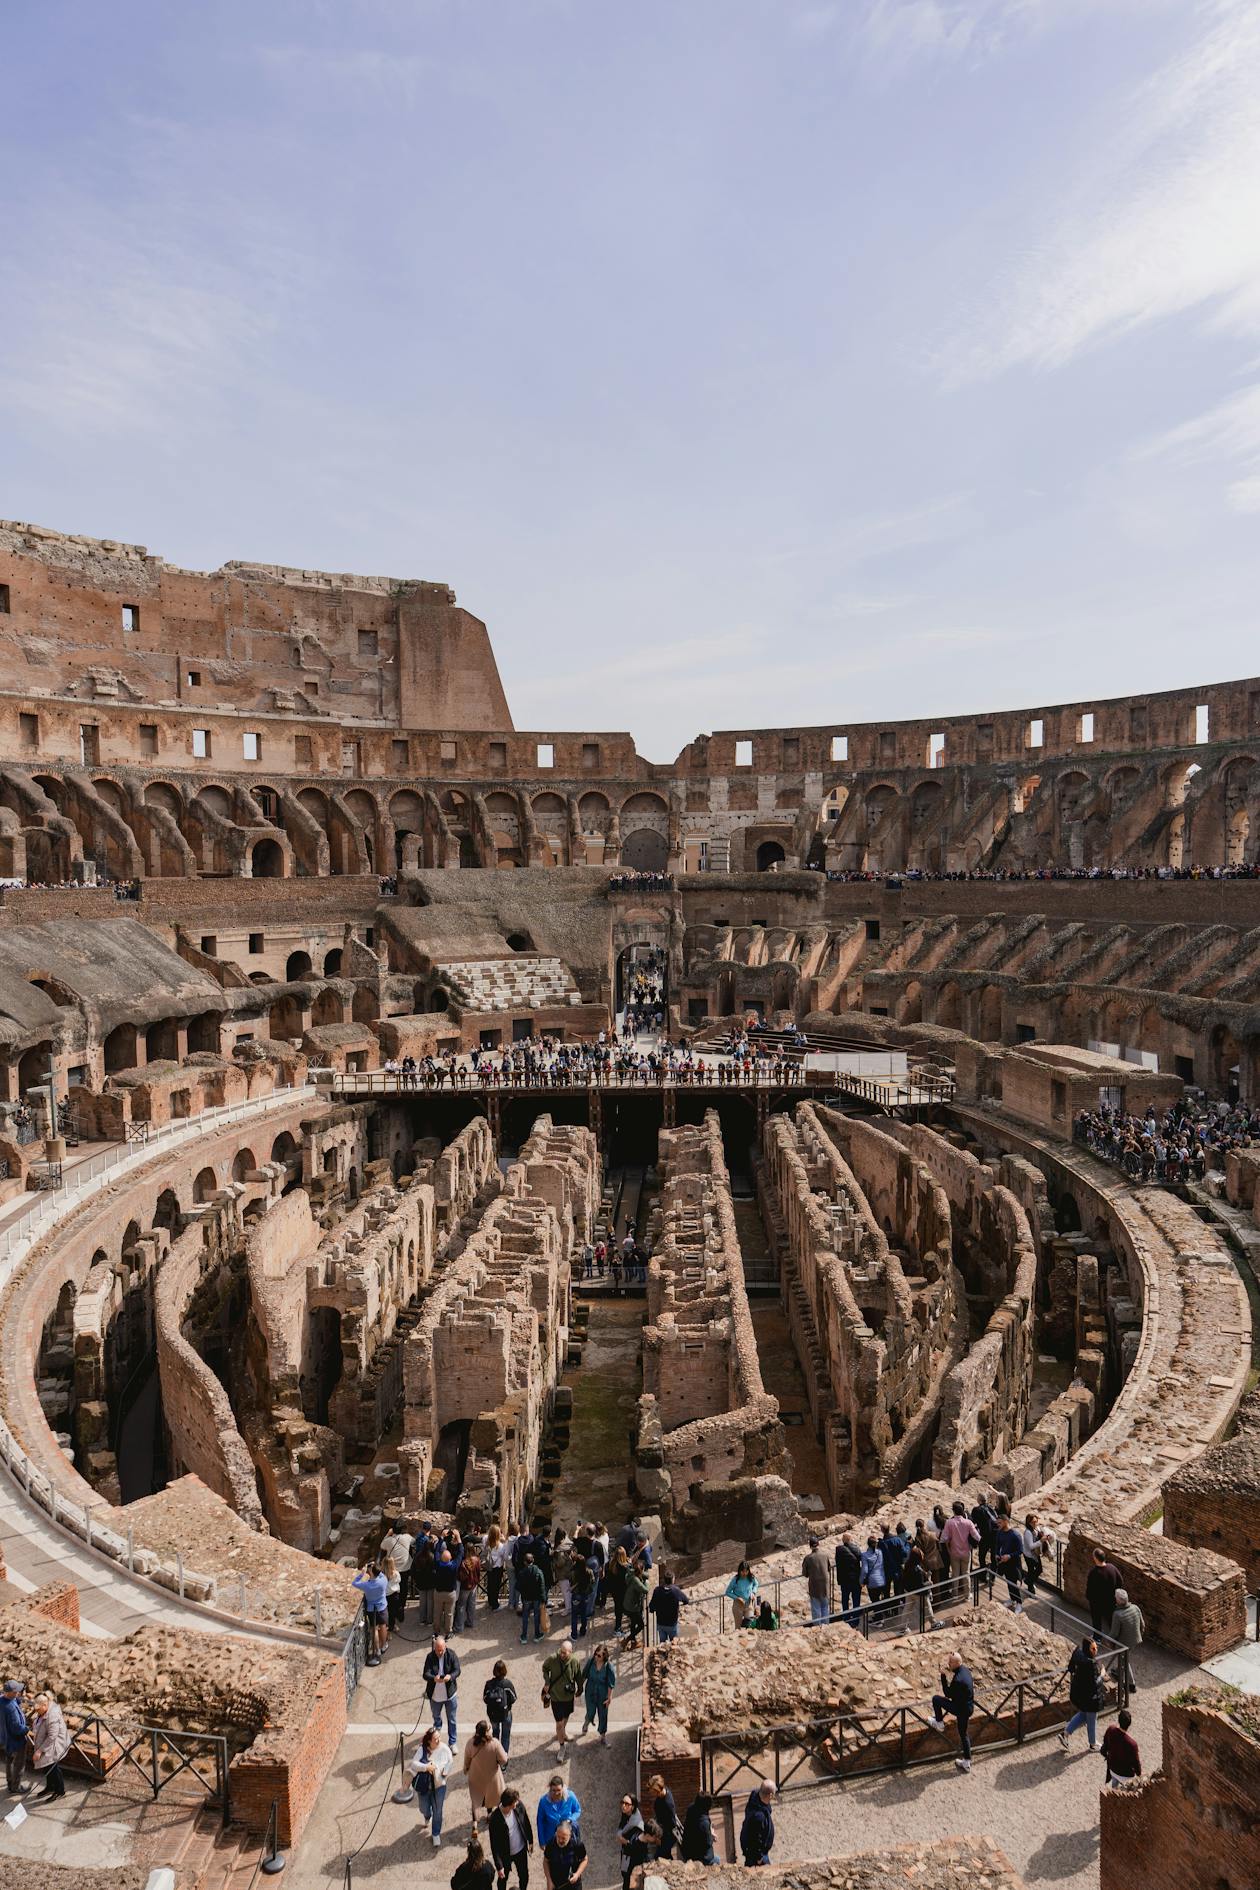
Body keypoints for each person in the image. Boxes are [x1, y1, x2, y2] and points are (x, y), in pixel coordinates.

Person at [928, 1652, 975, 1773]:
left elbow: (947, 1694)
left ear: (957, 1663)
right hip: (968, 1708)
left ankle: (939, 1723)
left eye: (950, 1662)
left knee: (936, 1699)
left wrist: (943, 1676)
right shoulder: (965, 1671)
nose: (948, 1664)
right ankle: (967, 1762)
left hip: (960, 1709)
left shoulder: (958, 1680)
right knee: (963, 1734)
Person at [1058, 1635, 1105, 1753]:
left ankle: (1065, 1733)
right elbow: (1095, 1683)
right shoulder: (1091, 1664)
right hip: (1091, 1696)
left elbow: (1071, 1668)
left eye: (1096, 1648)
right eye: (1093, 1649)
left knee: (1083, 1715)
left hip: (1080, 1693)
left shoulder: (1077, 1653)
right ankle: (1093, 1744)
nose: (1096, 1651)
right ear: (1088, 1650)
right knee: (1092, 1718)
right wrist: (1102, 1674)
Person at [409, 1725, 453, 1847]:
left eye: (439, 1737)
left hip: (439, 1786)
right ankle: (427, 1816)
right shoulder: (422, 1749)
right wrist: (426, 1767)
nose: (438, 1740)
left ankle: (435, 1834)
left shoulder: (445, 1749)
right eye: (435, 1739)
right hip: (424, 1787)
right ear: (429, 1741)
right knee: (424, 1808)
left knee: (438, 1810)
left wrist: (445, 1772)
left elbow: (450, 1762)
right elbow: (413, 1764)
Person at [465, 1721, 510, 1828]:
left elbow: (467, 1760)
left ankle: (474, 1824)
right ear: (486, 1732)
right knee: (491, 1796)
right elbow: (504, 1760)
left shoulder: (470, 1743)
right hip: (492, 1777)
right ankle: (490, 1815)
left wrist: (466, 1769)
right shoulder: (494, 1743)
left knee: (476, 1799)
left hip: (476, 1776)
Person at [490, 1788, 535, 1890]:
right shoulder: (495, 1819)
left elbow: (526, 1824)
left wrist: (530, 1841)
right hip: (505, 1854)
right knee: (502, 1879)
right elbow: (494, 1844)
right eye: (515, 1802)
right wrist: (499, 1866)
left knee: (524, 1876)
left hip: (521, 1850)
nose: (517, 1803)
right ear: (509, 1804)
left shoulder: (519, 1806)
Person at [541, 1641, 584, 1746]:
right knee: (559, 1724)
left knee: (566, 1716)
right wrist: (547, 1682)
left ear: (571, 1652)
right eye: (561, 1651)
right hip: (555, 1697)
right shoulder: (553, 1659)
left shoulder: (575, 1661)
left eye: (565, 1653)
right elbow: (545, 1668)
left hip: (568, 1697)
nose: (562, 1654)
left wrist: (580, 1689)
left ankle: (562, 1732)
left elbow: (578, 1676)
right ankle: (561, 1745)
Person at [30, 1692, 69, 1802]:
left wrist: (39, 1751)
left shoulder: (52, 1716)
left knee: (53, 1768)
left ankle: (60, 1791)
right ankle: (50, 1787)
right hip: (47, 1744)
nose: (37, 1711)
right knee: (47, 1766)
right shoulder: (43, 1709)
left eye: (38, 1709)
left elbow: (52, 1736)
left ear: (45, 1705)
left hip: (55, 1745)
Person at [940, 1501, 981, 1601]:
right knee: (966, 1573)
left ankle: (954, 1594)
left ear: (953, 1511)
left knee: (955, 1573)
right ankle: (967, 1595)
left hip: (954, 1552)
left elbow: (943, 1538)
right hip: (966, 1551)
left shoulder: (949, 1523)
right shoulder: (968, 1523)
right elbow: (977, 1537)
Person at [424, 1635, 462, 1744]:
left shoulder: (451, 1655)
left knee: (452, 1720)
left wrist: (450, 1676)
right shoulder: (430, 1657)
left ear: (445, 1648)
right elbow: (425, 1674)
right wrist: (433, 1678)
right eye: (437, 1650)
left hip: (450, 1695)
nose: (439, 1653)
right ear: (434, 1648)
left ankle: (452, 1742)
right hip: (435, 1696)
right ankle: (436, 1737)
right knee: (436, 1717)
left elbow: (457, 1670)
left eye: (441, 1650)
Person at [352, 1561, 389, 1662]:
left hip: (371, 1609)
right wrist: (376, 1568)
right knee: (383, 1626)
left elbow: (354, 1583)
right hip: (382, 1607)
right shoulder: (383, 1581)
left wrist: (362, 1573)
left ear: (371, 1573)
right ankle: (384, 1645)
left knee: (374, 1629)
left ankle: (377, 1650)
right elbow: (381, 1574)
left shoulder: (366, 1585)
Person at [580, 1643, 616, 1743]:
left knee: (603, 1714)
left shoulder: (609, 1666)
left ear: (604, 1656)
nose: (596, 1656)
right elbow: (584, 1675)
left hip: (602, 1693)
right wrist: (579, 1689)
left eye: (599, 1655)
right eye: (596, 1653)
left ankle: (603, 1735)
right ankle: (586, 1722)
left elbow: (610, 1684)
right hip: (590, 1691)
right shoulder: (591, 1662)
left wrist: (609, 1698)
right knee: (590, 1711)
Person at [1109, 1589, 1145, 1692]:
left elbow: (1114, 1633)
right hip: (1135, 1639)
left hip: (1123, 1644)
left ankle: (1131, 1684)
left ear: (1118, 1601)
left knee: (1125, 1660)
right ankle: (1117, 1671)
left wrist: (1107, 1640)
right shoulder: (1136, 1608)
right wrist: (1139, 1635)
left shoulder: (1117, 1614)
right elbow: (1143, 1625)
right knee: (1123, 1658)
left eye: (1115, 1598)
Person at [1, 1680, 30, 1797]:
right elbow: (17, 1728)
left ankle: (9, 1782)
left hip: (4, 1738)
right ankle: (15, 1787)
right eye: (16, 1691)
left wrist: (17, 1700)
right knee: (18, 1764)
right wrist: (27, 1729)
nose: (18, 1692)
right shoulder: (11, 1709)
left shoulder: (1, 1700)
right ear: (11, 1692)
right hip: (16, 1741)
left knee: (8, 1762)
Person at [536, 1776, 582, 1848]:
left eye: (559, 1790)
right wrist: (542, 1842)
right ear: (550, 1789)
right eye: (553, 1790)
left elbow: (577, 1810)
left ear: (563, 1788)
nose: (556, 1793)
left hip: (567, 1837)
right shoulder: (543, 1801)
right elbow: (540, 1822)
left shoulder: (571, 1796)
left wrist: (570, 1819)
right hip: (551, 1838)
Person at [484, 1659, 518, 1756]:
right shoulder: (507, 1684)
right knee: (505, 1736)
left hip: (493, 1714)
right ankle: (503, 1758)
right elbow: (514, 1698)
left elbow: (485, 1699)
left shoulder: (489, 1684)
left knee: (495, 1735)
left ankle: (495, 1755)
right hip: (505, 1714)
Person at [1085, 1548, 1122, 1635]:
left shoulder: (1093, 1573)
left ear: (1095, 1558)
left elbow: (1090, 1589)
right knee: (1110, 1620)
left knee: (1096, 1621)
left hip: (1097, 1603)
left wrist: (1089, 1598)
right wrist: (1114, 1594)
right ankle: (1114, 1638)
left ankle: (1097, 1638)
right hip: (1110, 1601)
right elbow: (1120, 1581)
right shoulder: (1112, 1568)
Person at [1101, 1709, 1142, 1787]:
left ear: (1119, 1720)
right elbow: (1136, 1762)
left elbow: (1105, 1743)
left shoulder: (1111, 1729)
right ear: (1129, 1724)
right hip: (1126, 1776)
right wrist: (1139, 1775)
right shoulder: (1132, 1744)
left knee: (1114, 1787)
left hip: (1112, 1768)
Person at [543, 1819, 587, 1890]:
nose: (560, 1840)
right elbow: (546, 1861)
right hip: (556, 1884)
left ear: (570, 1835)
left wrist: (577, 1874)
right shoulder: (551, 1844)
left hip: (573, 1885)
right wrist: (549, 1881)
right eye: (558, 1837)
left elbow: (585, 1859)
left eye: (563, 1838)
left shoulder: (577, 1844)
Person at [648, 1569, 689, 1644]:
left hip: (661, 1623)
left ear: (664, 1580)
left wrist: (654, 1609)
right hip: (672, 1624)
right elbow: (686, 1600)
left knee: (662, 1644)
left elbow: (651, 1607)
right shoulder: (676, 1591)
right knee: (673, 1643)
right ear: (673, 1579)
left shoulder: (657, 1590)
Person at [739, 1779, 775, 1865]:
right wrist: (759, 1857)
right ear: (770, 1795)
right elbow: (755, 1839)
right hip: (756, 1854)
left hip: (753, 1849)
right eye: (773, 1793)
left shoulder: (755, 1796)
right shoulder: (759, 1818)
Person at [993, 1515, 1025, 1613]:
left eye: (1000, 1522)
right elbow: (998, 1545)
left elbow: (1020, 1551)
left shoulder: (1015, 1535)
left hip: (1014, 1563)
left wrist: (1009, 1556)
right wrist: (997, 1554)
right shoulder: (999, 1533)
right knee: (1008, 1582)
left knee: (1014, 1583)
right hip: (1004, 1562)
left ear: (1006, 1521)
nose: (998, 1525)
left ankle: (1019, 1603)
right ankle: (1012, 1599)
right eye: (997, 1523)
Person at [680, 1793, 717, 1864]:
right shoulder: (704, 1823)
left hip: (688, 1849)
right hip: (699, 1857)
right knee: (717, 1859)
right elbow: (708, 1843)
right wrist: (711, 1833)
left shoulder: (691, 1809)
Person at [616, 1792, 643, 1886]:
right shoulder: (626, 1815)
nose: (623, 1806)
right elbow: (620, 1828)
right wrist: (620, 1836)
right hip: (626, 1855)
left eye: (627, 1804)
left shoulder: (637, 1824)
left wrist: (625, 1841)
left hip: (633, 1859)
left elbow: (638, 1846)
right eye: (622, 1802)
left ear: (633, 1806)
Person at [647, 1775, 677, 1860]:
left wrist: (659, 1837)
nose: (651, 1794)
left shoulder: (668, 1803)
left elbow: (671, 1824)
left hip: (667, 1836)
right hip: (663, 1832)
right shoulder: (664, 1791)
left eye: (653, 1792)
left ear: (657, 1791)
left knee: (661, 1857)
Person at [434, 1546, 462, 1638]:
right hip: (450, 1594)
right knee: (449, 1613)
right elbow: (460, 1554)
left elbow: (436, 1552)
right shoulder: (453, 1566)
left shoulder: (438, 1564)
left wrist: (441, 1539)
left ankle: (436, 1631)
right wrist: (459, 1541)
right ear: (450, 1558)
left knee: (437, 1612)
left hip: (438, 1593)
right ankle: (447, 1632)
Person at [519, 1554, 547, 1643]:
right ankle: (537, 1635)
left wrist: (523, 1594)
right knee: (536, 1616)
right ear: (533, 1560)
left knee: (525, 1616)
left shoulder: (522, 1572)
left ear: (524, 1562)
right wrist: (544, 1599)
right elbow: (542, 1587)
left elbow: (518, 1586)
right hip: (536, 1598)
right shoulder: (538, 1571)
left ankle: (524, 1636)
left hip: (526, 1598)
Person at [802, 1536, 830, 1625]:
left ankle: (817, 1627)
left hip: (814, 1586)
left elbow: (805, 1574)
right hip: (825, 1586)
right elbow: (829, 1568)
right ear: (818, 1544)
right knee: (825, 1607)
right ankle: (826, 1625)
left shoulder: (808, 1558)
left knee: (816, 1608)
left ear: (810, 1546)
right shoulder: (825, 1555)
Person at [834, 1533, 863, 1622]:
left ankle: (846, 1618)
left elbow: (838, 1562)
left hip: (845, 1579)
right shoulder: (857, 1550)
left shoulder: (839, 1550)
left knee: (845, 1599)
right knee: (856, 1600)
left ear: (843, 1540)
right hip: (856, 1578)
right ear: (851, 1540)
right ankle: (856, 1619)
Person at [456, 1539, 482, 1634]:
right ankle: (470, 1622)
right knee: (471, 1604)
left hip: (465, 1587)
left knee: (461, 1606)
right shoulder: (477, 1560)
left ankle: (459, 1627)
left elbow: (460, 1577)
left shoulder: (463, 1562)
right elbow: (479, 1573)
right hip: (474, 1585)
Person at [725, 1560, 759, 1629]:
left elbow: (756, 1584)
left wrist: (753, 1592)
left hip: (749, 1604)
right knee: (738, 1627)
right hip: (738, 1605)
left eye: (746, 1571)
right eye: (743, 1571)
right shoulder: (735, 1579)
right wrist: (737, 1598)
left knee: (750, 1625)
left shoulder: (751, 1577)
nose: (744, 1573)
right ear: (739, 1570)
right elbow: (727, 1592)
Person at [622, 1562, 648, 1649]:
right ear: (640, 1571)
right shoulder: (636, 1580)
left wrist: (644, 1574)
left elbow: (645, 1575)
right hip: (633, 1607)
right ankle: (627, 1639)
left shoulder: (631, 1573)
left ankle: (634, 1642)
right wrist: (646, 1582)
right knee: (641, 1625)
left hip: (627, 1604)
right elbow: (645, 1590)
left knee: (633, 1623)